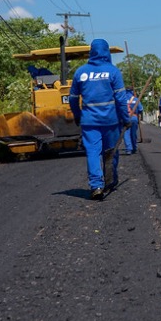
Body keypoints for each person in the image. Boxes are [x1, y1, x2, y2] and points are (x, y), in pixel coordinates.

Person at [68, 39, 131, 200]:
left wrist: (77, 116)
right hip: (111, 121)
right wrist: (125, 118)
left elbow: (73, 99)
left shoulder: (80, 72)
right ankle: (111, 179)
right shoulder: (113, 72)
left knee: (93, 152)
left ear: (91, 52)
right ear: (106, 52)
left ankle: (96, 185)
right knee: (111, 151)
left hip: (89, 121)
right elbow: (121, 99)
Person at [124, 88, 143, 154]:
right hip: (134, 118)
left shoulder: (122, 99)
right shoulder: (136, 99)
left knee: (126, 134)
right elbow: (140, 109)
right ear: (132, 92)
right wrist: (139, 115)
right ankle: (134, 148)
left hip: (125, 118)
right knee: (133, 134)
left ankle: (128, 149)